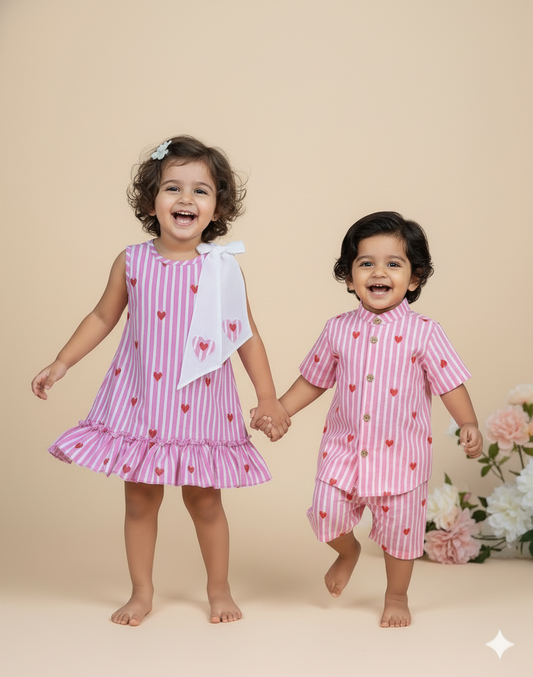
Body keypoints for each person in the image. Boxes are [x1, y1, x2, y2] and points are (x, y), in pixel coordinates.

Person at [31, 135, 290, 626]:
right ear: (152, 201)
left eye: (200, 190)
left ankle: (219, 589)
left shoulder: (222, 268)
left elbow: (246, 335)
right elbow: (102, 317)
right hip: (142, 399)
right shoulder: (132, 261)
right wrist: (61, 363)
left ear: (217, 208)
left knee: (205, 500)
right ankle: (141, 592)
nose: (186, 198)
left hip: (203, 401)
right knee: (140, 498)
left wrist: (268, 397)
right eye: (173, 187)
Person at [254, 211, 483, 628]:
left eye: (393, 263)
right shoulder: (337, 329)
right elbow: (314, 379)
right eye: (366, 263)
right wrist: (281, 408)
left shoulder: (425, 332)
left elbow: (450, 383)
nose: (379, 272)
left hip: (402, 460)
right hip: (343, 452)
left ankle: (396, 596)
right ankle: (348, 552)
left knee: (400, 535)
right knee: (325, 513)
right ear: (349, 277)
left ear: (414, 279)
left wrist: (468, 422)